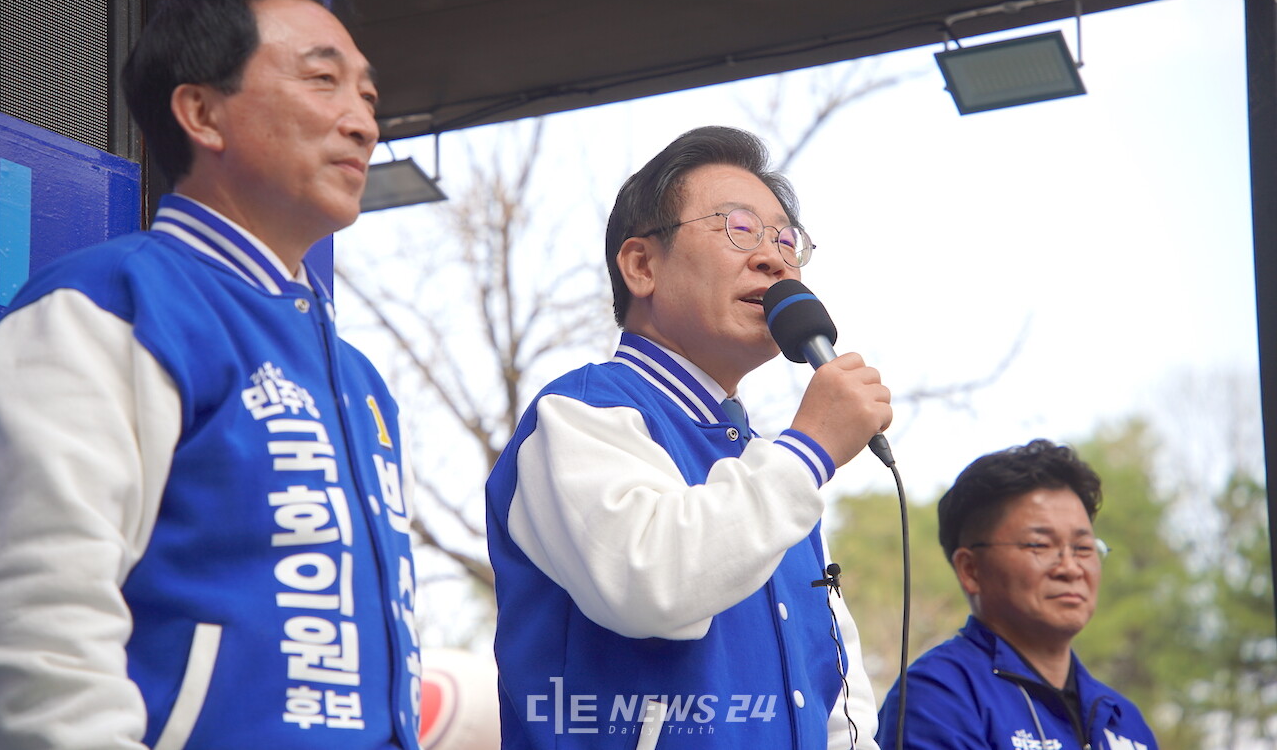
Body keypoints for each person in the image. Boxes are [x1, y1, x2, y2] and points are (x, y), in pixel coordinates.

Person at [0, 0, 422, 749]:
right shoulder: (106, 306)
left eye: (366, 93)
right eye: (322, 81)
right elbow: (38, 624)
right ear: (201, 111)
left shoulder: (359, 380)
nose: (364, 120)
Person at [486, 125, 892, 749]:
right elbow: (649, 581)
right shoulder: (581, 412)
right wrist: (809, 449)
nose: (774, 259)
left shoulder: (771, 467)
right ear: (642, 265)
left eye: (787, 240)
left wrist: (799, 459)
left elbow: (838, 698)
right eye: (738, 228)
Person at [875, 439, 1159, 750]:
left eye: (1083, 548)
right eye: (1039, 545)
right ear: (970, 570)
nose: (1071, 568)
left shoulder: (1123, 720)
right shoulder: (938, 696)